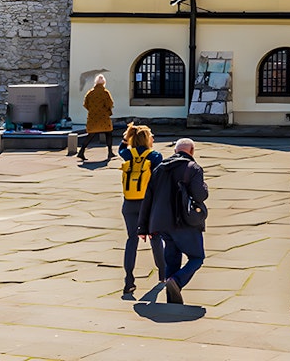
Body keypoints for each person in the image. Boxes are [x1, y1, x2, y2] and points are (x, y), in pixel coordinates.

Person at [138, 137, 207, 304]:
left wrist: (143, 227)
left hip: (161, 224)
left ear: (175, 151)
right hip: (184, 222)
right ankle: (177, 281)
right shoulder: (193, 168)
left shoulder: (160, 168)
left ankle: (173, 300)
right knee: (197, 257)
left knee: (172, 258)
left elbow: (148, 198)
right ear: (192, 151)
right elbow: (200, 195)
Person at [118, 123, 165, 296]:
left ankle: (129, 280)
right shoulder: (154, 156)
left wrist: (127, 135)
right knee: (155, 237)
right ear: (147, 139)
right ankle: (163, 273)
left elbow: (120, 149)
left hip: (129, 203)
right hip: (148, 204)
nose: (153, 138)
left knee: (132, 240)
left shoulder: (127, 154)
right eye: (151, 135)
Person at [79, 74, 115, 162]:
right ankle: (110, 152)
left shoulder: (90, 92)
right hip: (103, 116)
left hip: (93, 116)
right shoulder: (105, 92)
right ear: (104, 83)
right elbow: (109, 104)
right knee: (108, 133)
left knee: (90, 134)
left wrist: (92, 110)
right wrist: (107, 111)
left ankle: (81, 151)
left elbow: (85, 104)